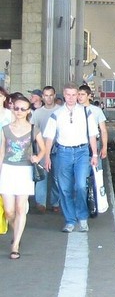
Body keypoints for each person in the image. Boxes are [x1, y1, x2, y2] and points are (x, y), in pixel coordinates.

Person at [42, 82, 99, 233]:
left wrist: (94, 154)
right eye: (68, 94)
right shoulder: (57, 114)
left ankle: (82, 217)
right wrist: (46, 156)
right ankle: (70, 220)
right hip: (63, 153)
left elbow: (93, 134)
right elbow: (50, 137)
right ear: (63, 95)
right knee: (65, 188)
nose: (71, 98)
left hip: (82, 152)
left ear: (78, 95)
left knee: (81, 185)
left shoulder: (87, 112)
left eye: (74, 94)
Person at [0, 95, 47, 259]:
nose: (18, 111)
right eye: (16, 108)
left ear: (28, 111)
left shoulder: (34, 129)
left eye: (22, 109)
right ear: (12, 109)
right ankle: (16, 232)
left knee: (21, 208)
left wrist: (37, 157)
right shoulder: (5, 128)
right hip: (7, 169)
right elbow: (2, 151)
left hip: (24, 171)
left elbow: (42, 149)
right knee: (9, 211)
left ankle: (15, 244)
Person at [30, 86, 62, 212]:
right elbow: (33, 131)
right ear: (42, 97)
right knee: (42, 175)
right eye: (46, 95)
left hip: (58, 149)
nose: (48, 98)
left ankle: (56, 202)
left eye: (51, 95)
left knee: (56, 177)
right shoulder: (38, 113)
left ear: (54, 96)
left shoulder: (60, 111)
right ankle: (40, 203)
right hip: (42, 149)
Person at [78, 85, 108, 163]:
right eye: (79, 94)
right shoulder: (74, 110)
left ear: (89, 96)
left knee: (95, 167)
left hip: (94, 142)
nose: (80, 97)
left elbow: (103, 130)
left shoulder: (97, 110)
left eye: (83, 94)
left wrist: (105, 147)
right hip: (79, 143)